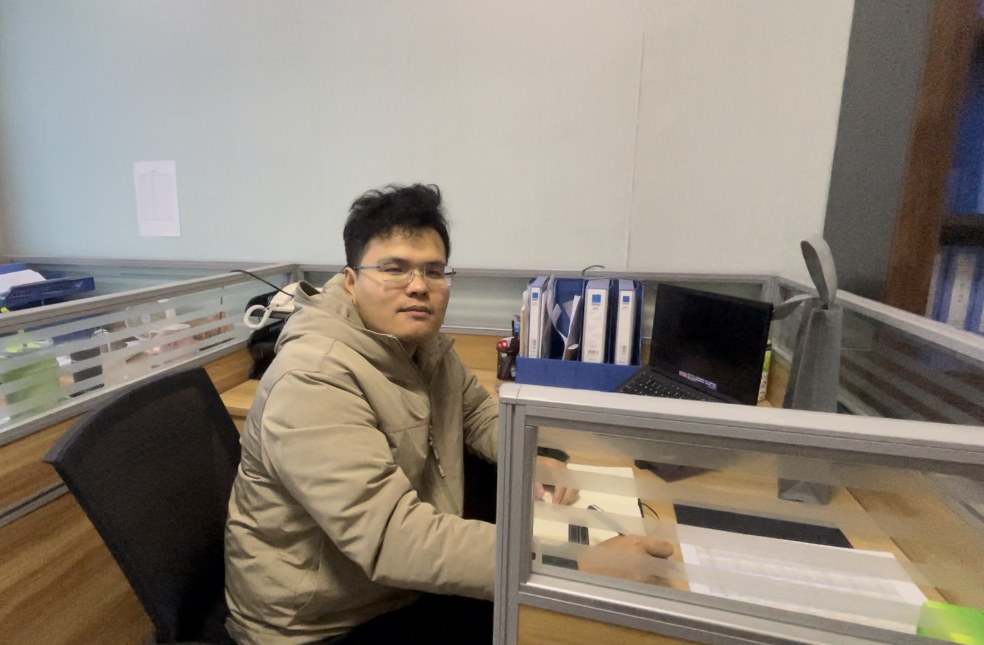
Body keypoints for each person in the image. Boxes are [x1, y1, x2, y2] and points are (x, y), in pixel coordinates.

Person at [224, 184, 671, 645]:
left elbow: (477, 415)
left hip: (396, 589)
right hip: (319, 625)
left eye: (434, 270)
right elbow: (392, 538)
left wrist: (531, 458)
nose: (419, 285)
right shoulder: (313, 378)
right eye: (394, 268)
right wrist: (569, 564)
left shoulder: (420, 345)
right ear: (352, 282)